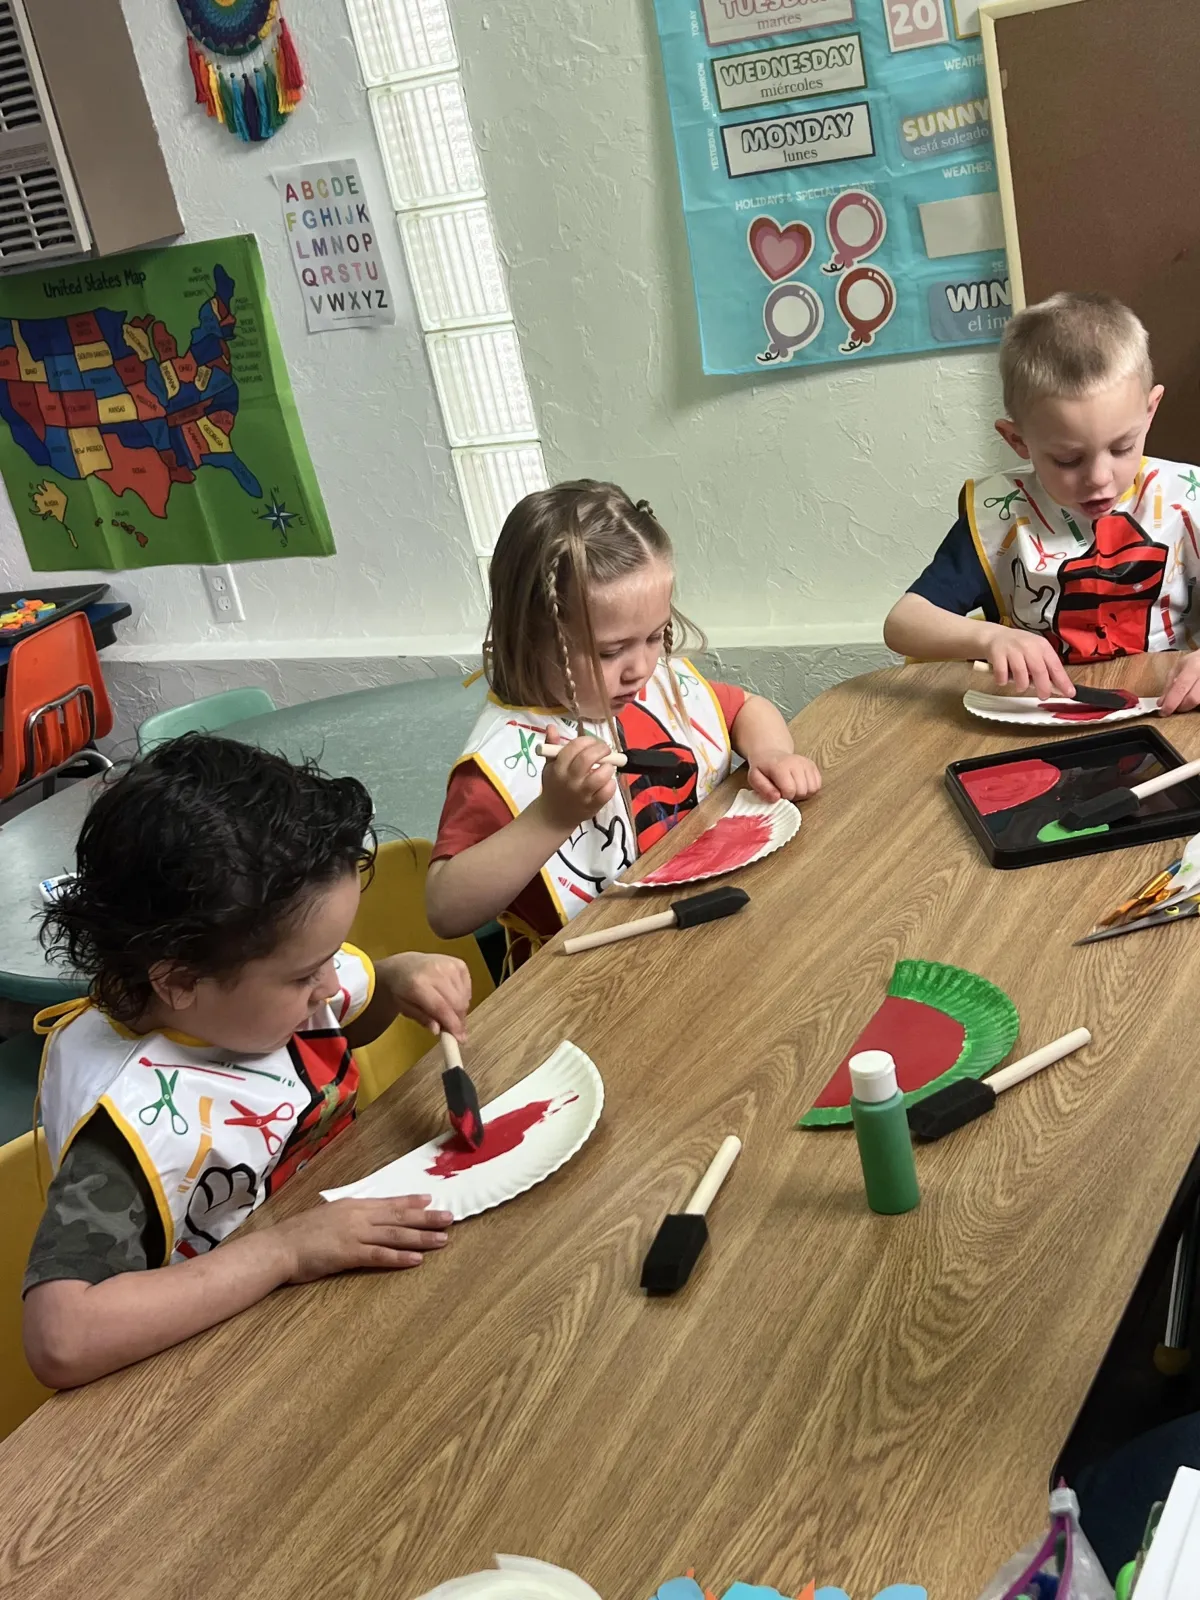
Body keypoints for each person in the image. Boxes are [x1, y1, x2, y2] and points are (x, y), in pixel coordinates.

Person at [23, 735, 472, 1389]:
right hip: (231, 1374)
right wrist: (286, 1251)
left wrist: (400, 978)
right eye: (302, 977)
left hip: (345, 1291)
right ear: (178, 982)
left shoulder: (253, 987)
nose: (325, 986)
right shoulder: (126, 1131)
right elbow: (61, 1339)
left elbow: (345, 1016)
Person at [426, 480, 821, 964]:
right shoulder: (501, 758)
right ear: (530, 636)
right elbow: (445, 911)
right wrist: (552, 816)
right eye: (611, 650)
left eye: (656, 636)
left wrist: (772, 753)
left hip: (698, 929)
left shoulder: (651, 685)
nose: (641, 667)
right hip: (587, 978)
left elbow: (746, 708)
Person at [883, 291, 1200, 714]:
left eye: (1122, 447)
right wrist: (990, 638)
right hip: (1045, 715)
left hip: (1172, 712)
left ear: (1150, 411)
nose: (1099, 479)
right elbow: (902, 623)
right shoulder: (1002, 512)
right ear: (1018, 440)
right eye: (1069, 459)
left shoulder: (1184, 497)